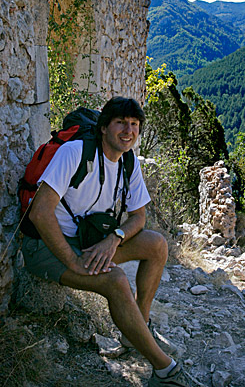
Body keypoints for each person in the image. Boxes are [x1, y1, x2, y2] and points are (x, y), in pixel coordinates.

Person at [22, 96, 194, 387]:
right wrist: (73, 260)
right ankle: (166, 371)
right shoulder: (75, 153)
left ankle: (135, 330)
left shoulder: (128, 161)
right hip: (46, 247)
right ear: (104, 128)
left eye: (134, 124)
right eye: (120, 123)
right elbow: (40, 212)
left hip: (90, 240)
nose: (128, 131)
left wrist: (114, 239)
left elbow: (139, 217)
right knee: (116, 280)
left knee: (157, 244)